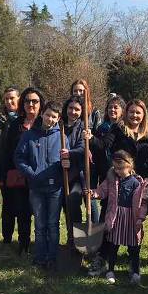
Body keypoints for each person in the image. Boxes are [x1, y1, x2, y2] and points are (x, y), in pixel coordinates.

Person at [87, 150, 148, 285]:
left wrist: (140, 218)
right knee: (113, 244)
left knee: (134, 246)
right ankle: (110, 270)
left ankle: (135, 272)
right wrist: (94, 194)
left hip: (131, 219)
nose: (118, 171)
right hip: (116, 217)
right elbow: (102, 190)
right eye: (116, 168)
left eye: (121, 168)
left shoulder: (137, 183)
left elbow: (143, 203)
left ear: (129, 166)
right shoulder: (111, 180)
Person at [15, 101, 68, 269]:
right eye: (47, 115)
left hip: (55, 188)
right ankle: (39, 257)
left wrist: (67, 162)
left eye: (54, 117)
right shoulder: (29, 135)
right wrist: (31, 174)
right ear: (42, 114)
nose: (50, 119)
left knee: (53, 223)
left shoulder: (62, 137)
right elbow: (19, 158)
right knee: (40, 224)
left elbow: (67, 160)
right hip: (36, 188)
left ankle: (52, 257)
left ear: (58, 118)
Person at [0, 87, 45, 253]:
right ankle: (23, 245)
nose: (31, 104)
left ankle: (41, 245)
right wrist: (3, 174)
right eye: (27, 101)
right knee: (21, 210)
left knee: (40, 213)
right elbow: (7, 150)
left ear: (41, 104)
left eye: (35, 101)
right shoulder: (15, 124)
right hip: (18, 175)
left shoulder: (44, 123)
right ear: (22, 103)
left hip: (40, 176)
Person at [95, 99, 148, 180]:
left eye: (138, 113)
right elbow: (103, 144)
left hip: (143, 180)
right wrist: (91, 139)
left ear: (144, 115)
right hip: (120, 178)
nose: (134, 115)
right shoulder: (117, 129)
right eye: (131, 112)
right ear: (126, 113)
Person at [0, 86, 20, 242]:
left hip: (22, 169)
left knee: (23, 208)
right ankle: (7, 240)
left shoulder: (24, 117)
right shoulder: (1, 119)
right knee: (7, 206)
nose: (9, 102)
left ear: (19, 99)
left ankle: (24, 241)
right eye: (6, 99)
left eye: (12, 98)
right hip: (6, 169)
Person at [61, 96, 92, 224]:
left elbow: (82, 148)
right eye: (70, 108)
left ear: (82, 111)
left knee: (74, 202)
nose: (73, 112)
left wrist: (69, 153)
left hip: (78, 174)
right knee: (66, 207)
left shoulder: (83, 128)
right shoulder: (59, 124)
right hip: (60, 171)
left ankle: (81, 239)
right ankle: (71, 237)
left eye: (77, 109)